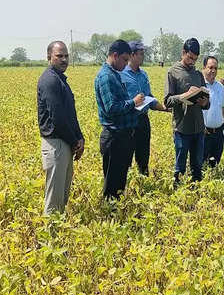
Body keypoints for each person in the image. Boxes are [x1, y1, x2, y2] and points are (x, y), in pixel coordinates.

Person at [37, 41, 84, 214]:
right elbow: (57, 118)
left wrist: (80, 138)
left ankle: (58, 235)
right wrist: (74, 141)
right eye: (59, 56)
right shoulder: (49, 80)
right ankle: (50, 237)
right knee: (54, 200)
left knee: (62, 195)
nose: (64, 59)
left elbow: (70, 115)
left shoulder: (60, 79)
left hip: (65, 142)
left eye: (66, 55)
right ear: (49, 57)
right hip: (56, 143)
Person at [94, 40, 144, 200]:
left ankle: (117, 213)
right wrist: (133, 102)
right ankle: (110, 217)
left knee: (119, 182)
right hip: (114, 138)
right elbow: (111, 108)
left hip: (122, 137)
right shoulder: (106, 77)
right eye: (124, 60)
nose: (126, 64)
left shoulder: (114, 74)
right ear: (114, 55)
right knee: (112, 186)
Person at [164, 38, 209, 187]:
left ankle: (196, 197)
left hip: (198, 128)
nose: (192, 62)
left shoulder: (198, 74)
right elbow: (167, 101)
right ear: (183, 52)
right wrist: (184, 96)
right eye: (190, 58)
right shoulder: (173, 72)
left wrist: (205, 102)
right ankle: (178, 194)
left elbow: (206, 103)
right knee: (180, 168)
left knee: (197, 167)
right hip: (182, 128)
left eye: (195, 59)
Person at [121, 41, 167, 176]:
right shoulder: (121, 74)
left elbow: (149, 98)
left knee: (143, 155)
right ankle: (125, 186)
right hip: (128, 121)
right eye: (141, 54)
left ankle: (143, 180)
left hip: (143, 121)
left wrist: (164, 108)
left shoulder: (144, 75)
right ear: (132, 55)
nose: (143, 57)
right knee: (126, 156)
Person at [201, 55, 224, 169]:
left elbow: (223, 110)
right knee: (201, 165)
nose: (213, 71)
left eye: (215, 68)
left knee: (214, 164)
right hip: (204, 133)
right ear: (204, 68)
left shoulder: (220, 87)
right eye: (210, 67)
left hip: (218, 134)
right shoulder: (199, 86)